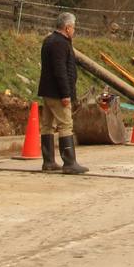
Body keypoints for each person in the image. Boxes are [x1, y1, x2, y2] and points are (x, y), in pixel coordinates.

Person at [38, 11, 87, 174]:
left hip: (47, 91)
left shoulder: (49, 40)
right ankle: (69, 162)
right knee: (66, 125)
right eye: (73, 27)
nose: (74, 31)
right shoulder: (61, 43)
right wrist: (66, 94)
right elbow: (61, 71)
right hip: (58, 93)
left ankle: (49, 161)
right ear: (67, 28)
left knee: (47, 125)